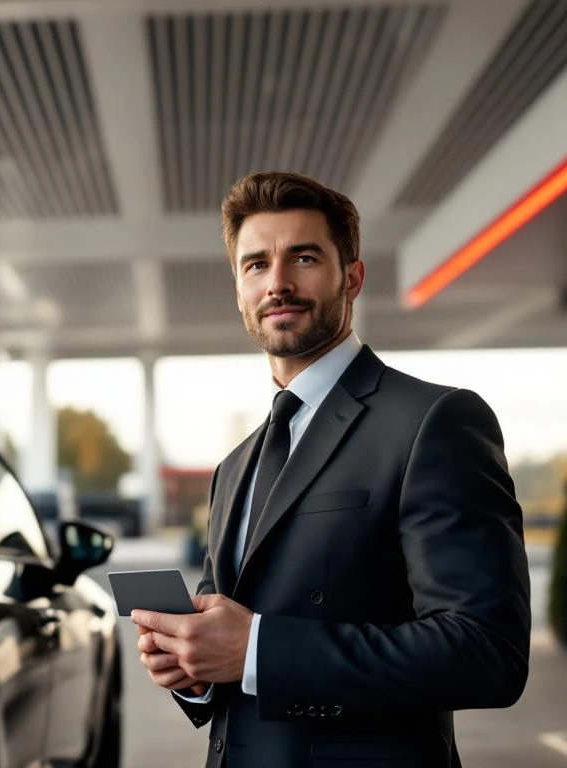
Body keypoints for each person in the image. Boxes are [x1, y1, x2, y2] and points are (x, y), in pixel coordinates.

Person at [133, 172, 531, 768]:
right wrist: (194, 668)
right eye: (256, 264)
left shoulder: (434, 422)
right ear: (239, 289)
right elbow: (231, 656)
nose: (279, 283)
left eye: (305, 257)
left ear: (353, 277)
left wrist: (258, 651)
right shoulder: (234, 466)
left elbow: (487, 652)